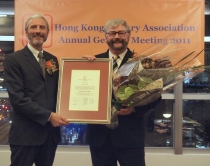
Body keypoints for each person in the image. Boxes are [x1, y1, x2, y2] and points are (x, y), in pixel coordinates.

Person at [83, 18, 161, 166]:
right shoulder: (94, 62)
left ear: (128, 35)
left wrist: (134, 109)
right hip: (100, 138)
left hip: (130, 137)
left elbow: (156, 96)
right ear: (105, 36)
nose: (117, 37)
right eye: (112, 33)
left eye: (121, 33)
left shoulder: (141, 63)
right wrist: (84, 67)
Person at [4, 14, 69, 166]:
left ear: (47, 33)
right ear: (26, 32)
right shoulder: (14, 59)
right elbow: (18, 99)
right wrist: (48, 116)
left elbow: (60, 91)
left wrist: (88, 66)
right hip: (25, 135)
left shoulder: (51, 59)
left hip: (49, 135)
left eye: (42, 27)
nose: (38, 31)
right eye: (33, 27)